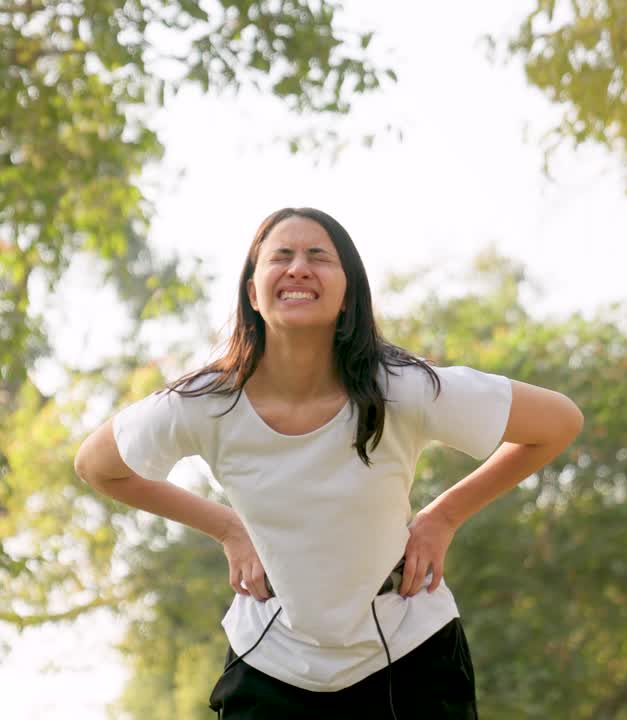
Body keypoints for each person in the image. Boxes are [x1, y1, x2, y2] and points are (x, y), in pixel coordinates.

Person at [73, 207, 583, 719]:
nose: (298, 268)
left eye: (318, 257)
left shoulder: (403, 388)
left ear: (347, 295)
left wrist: (445, 516)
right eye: (281, 257)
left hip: (409, 653)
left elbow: (558, 422)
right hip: (270, 660)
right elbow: (97, 466)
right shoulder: (207, 402)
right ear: (253, 293)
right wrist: (227, 528)